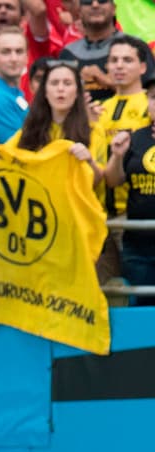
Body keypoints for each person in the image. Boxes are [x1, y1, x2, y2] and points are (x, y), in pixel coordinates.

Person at [103, 78, 155, 298]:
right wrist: (116, 155)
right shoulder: (134, 138)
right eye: (153, 97)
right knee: (141, 309)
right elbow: (113, 181)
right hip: (138, 244)